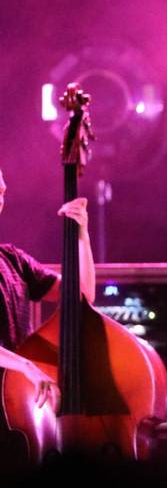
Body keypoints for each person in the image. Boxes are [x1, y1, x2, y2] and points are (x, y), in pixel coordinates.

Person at [0, 167, 96, 408]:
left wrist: (81, 234)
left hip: (18, 402)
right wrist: (26, 366)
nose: (0, 199)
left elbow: (82, 295)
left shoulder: (13, 260)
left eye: (1, 191)